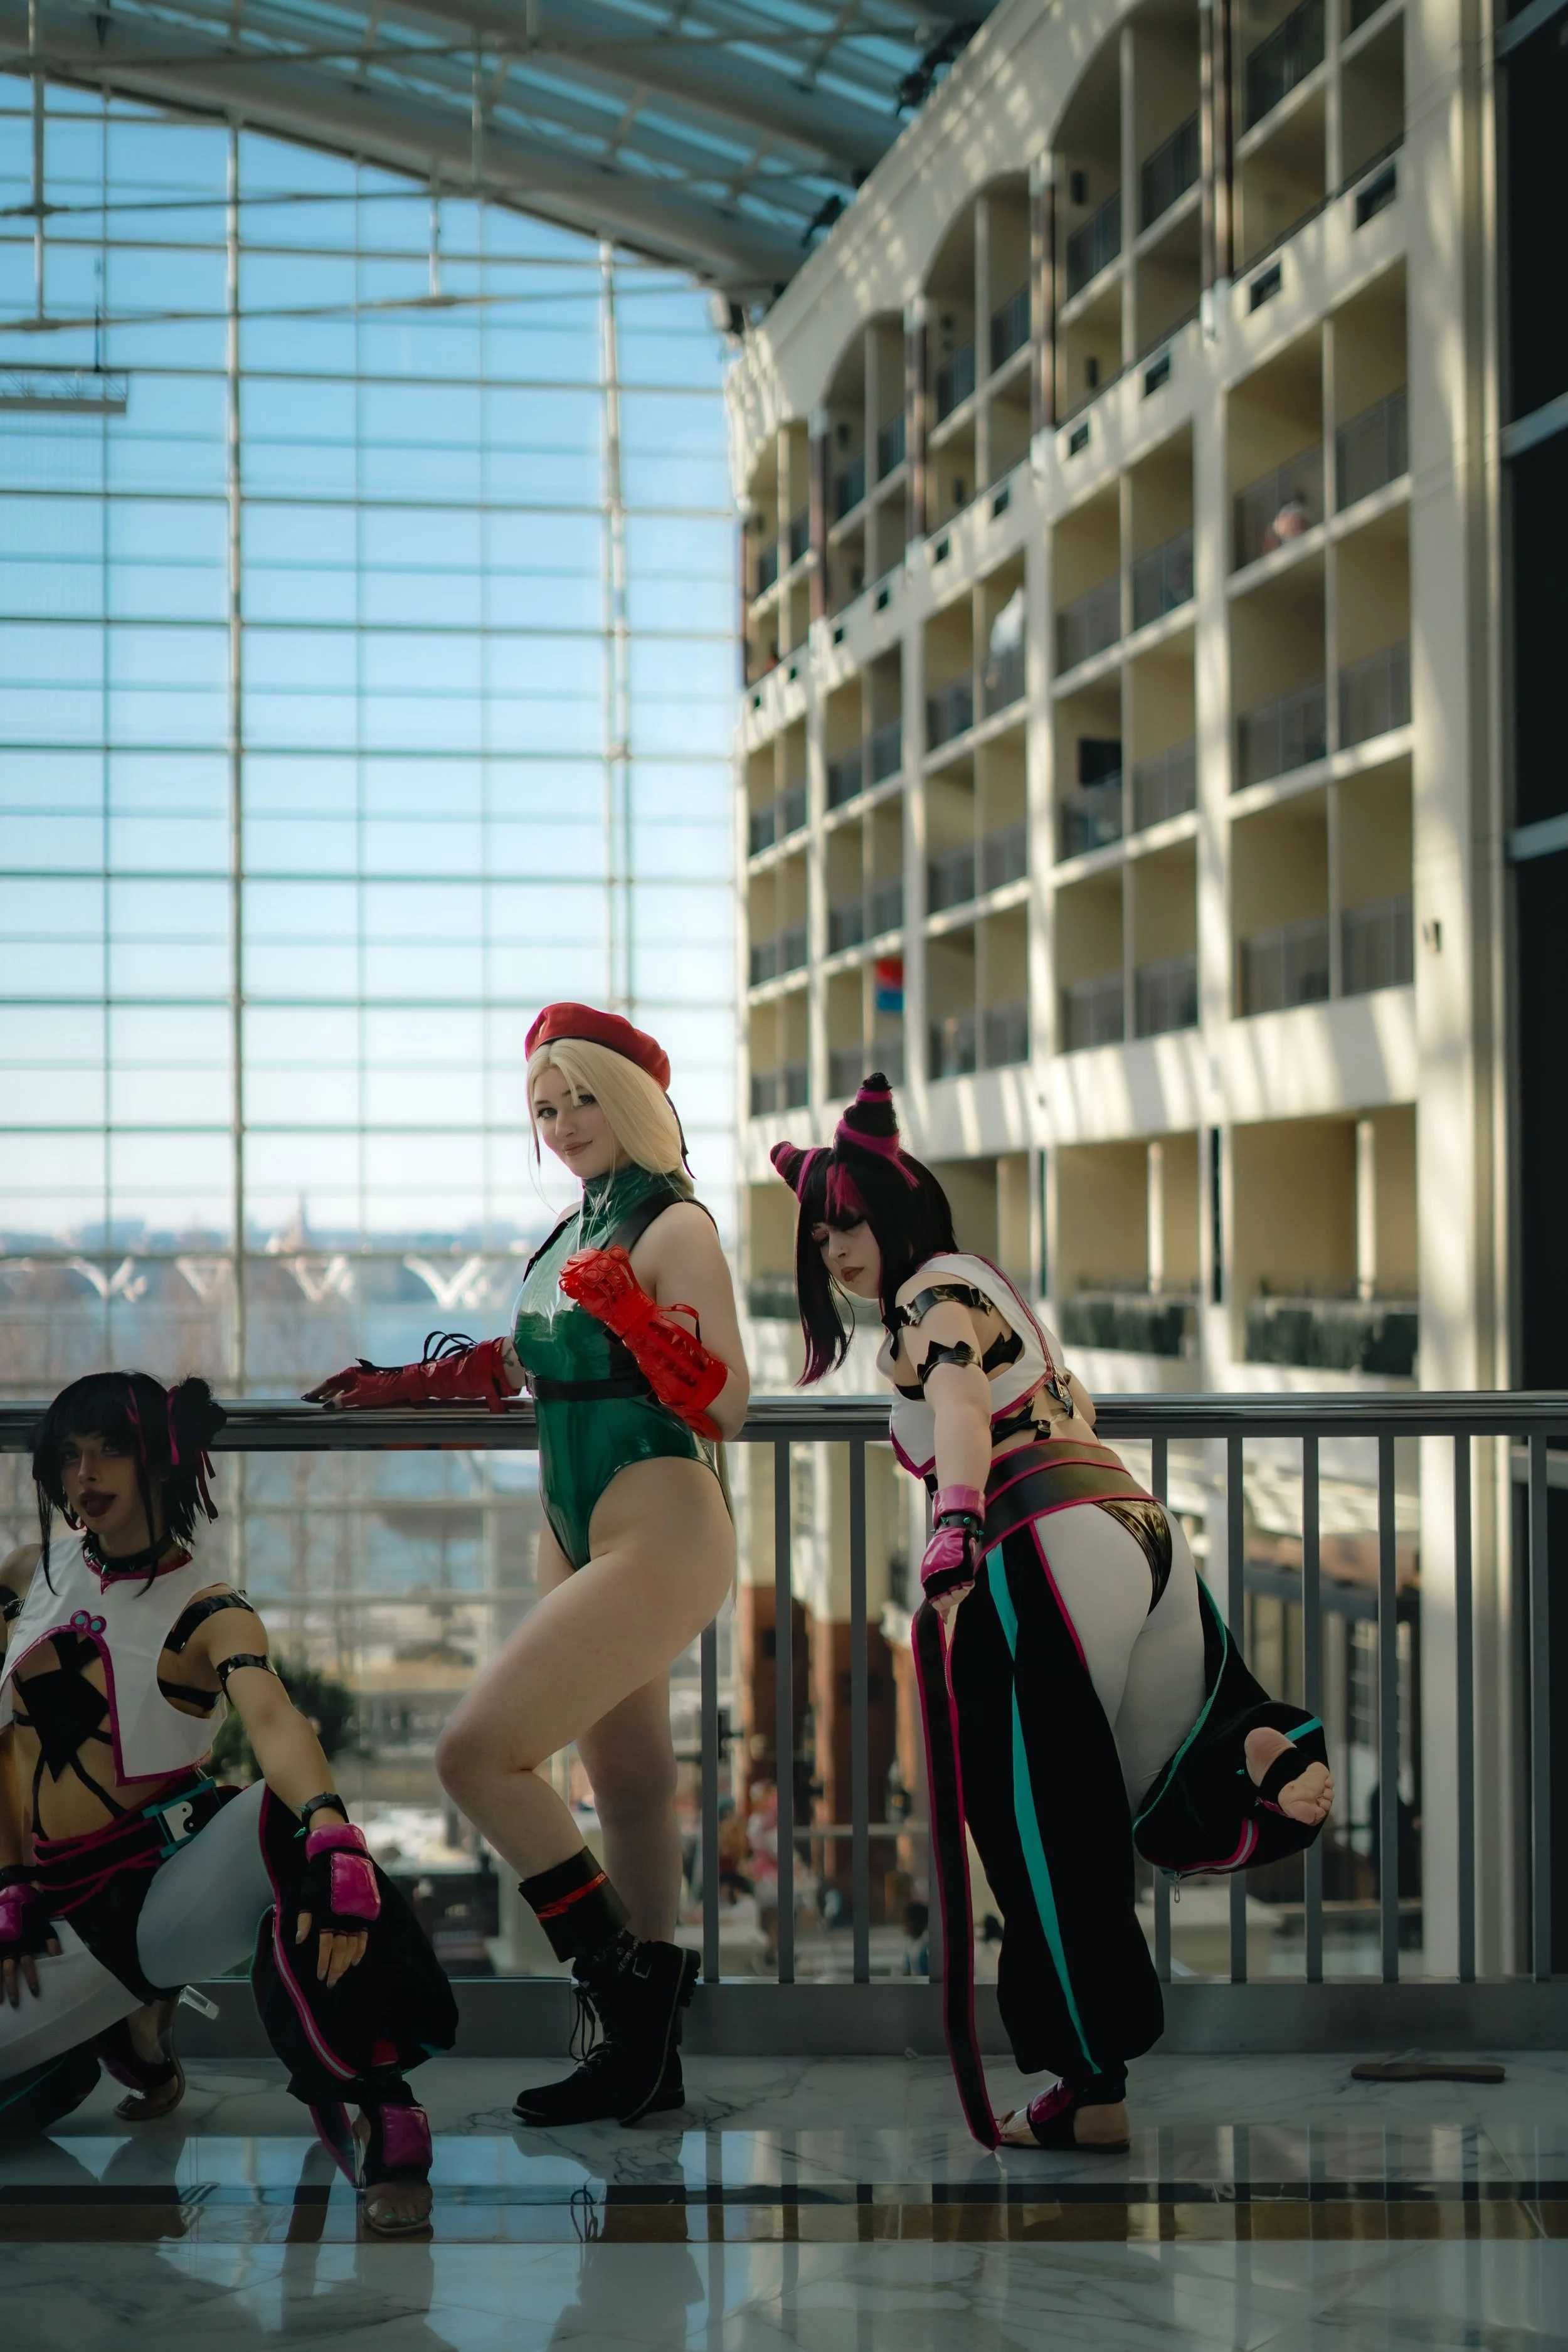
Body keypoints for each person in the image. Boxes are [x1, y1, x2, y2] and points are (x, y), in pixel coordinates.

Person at [771, 1074, 1333, 2153]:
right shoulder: (991, 1285)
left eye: (849, 1224)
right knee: (1142, 1771)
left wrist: (955, 1518)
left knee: (1039, 1821)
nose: (836, 1249)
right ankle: (1253, 1754)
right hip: (1137, 1525)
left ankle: (1089, 2083)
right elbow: (1048, 1400)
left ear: (897, 1212)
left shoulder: (925, 1301)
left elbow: (959, 1400)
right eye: (822, 1233)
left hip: (1041, 1538)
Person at [306, 1003, 749, 2127]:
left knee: (474, 1753)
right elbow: (522, 1358)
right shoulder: (572, 1230)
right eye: (546, 1108)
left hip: (659, 1521)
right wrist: (404, 1386)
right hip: (577, 1524)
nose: (565, 1122)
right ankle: (648, 2063)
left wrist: (637, 1316)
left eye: (584, 1097)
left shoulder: (675, 1223)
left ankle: (627, 1991)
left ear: (635, 1098)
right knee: (631, 1788)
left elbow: (728, 1402)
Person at [0, 1371, 455, 2233]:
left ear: (161, 1458)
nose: (85, 1474)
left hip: (155, 1889)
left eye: (110, 1450)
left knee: (291, 1826)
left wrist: (334, 1832)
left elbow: (274, 1719)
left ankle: (385, 2104)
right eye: (69, 1454)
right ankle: (128, 2041)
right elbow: (4, 1741)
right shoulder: (32, 1571)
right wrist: (9, 1879)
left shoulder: (210, 1610)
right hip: (44, 1901)